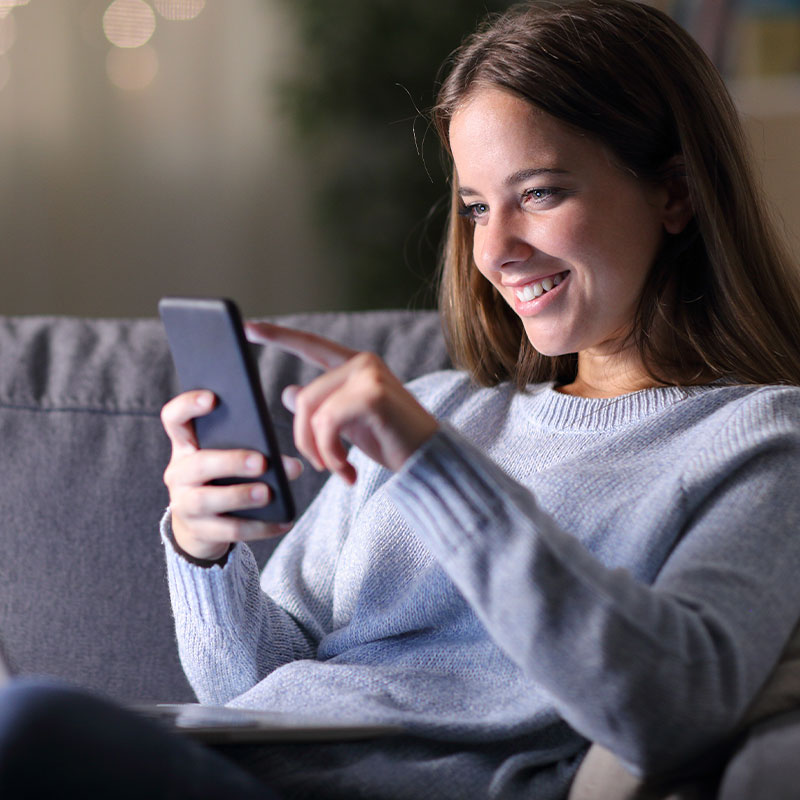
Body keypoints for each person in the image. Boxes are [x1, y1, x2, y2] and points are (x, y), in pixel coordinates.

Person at [1, 1, 800, 798]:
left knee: (28, 725)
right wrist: (205, 555)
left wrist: (432, 467)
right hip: (228, 766)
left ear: (676, 194)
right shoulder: (442, 408)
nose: (494, 249)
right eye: (476, 206)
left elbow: (666, 712)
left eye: (541, 193)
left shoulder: (758, 443)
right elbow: (247, 694)